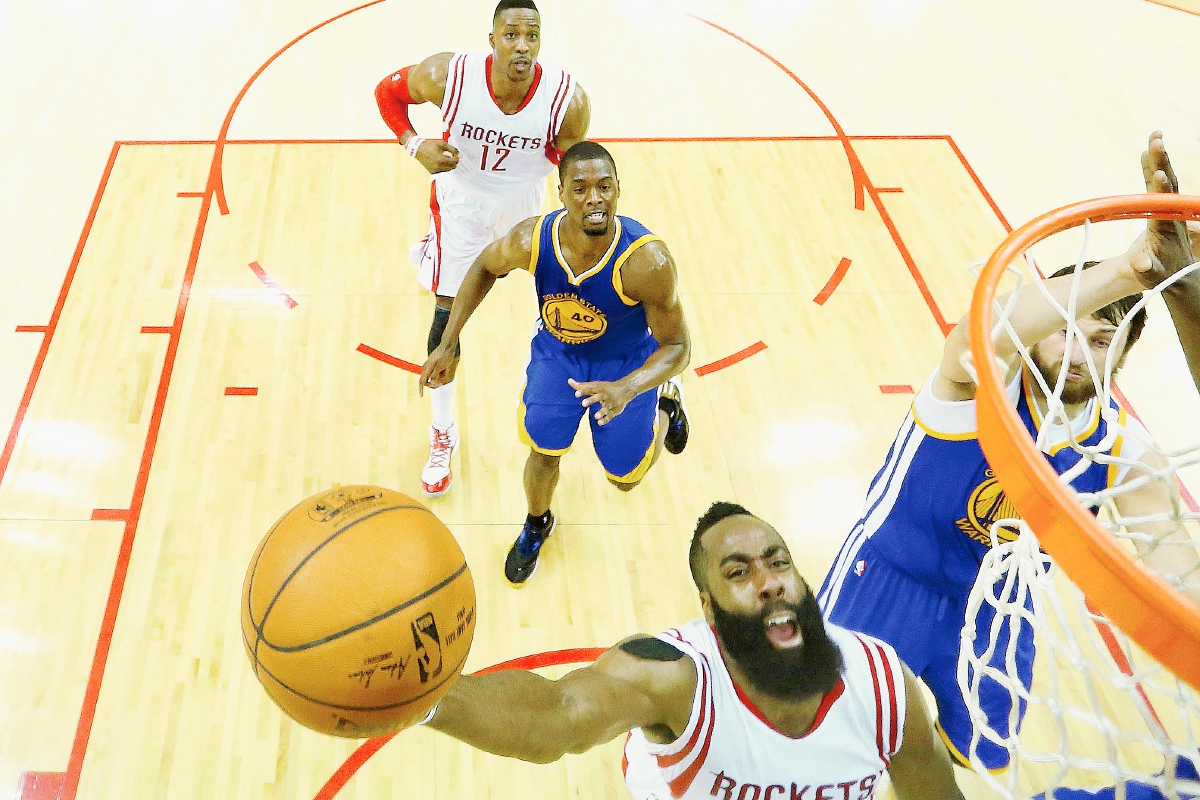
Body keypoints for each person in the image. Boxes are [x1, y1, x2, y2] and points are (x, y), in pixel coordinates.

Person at [817, 132, 1200, 772]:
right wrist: (1129, 269)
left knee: (981, 761)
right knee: (831, 752)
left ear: (1126, 355)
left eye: (1104, 338)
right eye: (1066, 328)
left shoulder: (1123, 449)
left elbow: (1178, 569)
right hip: (890, 582)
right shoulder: (974, 384)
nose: (1079, 351)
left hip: (997, 616)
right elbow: (980, 330)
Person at [415, 502, 965, 800]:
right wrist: (424, 700)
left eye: (778, 562)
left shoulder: (884, 685)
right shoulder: (675, 675)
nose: (769, 582)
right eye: (738, 572)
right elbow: (553, 717)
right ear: (708, 606)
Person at [421, 141, 691, 586]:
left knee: (624, 481)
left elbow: (678, 347)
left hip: (625, 366)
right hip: (558, 355)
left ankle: (665, 403)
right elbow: (484, 266)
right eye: (580, 188)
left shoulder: (648, 262)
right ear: (560, 192)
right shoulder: (532, 239)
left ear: (619, 190)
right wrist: (449, 343)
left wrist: (628, 388)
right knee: (544, 452)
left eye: (604, 187)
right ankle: (537, 523)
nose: (594, 198)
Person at [375, 0, 590, 497]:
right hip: (462, 205)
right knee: (447, 318)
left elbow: (569, 164)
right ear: (492, 38)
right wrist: (414, 144)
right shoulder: (449, 75)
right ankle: (442, 431)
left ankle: (564, 387)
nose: (522, 45)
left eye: (531, 36)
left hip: (525, 207)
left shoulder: (566, 99)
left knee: (567, 303)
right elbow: (387, 94)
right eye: (511, 34)